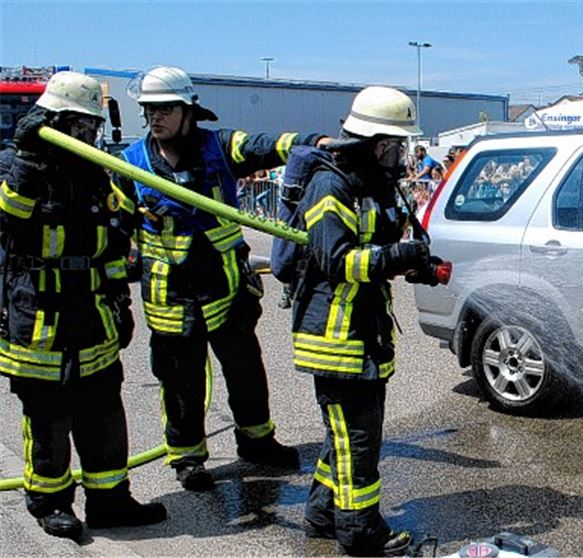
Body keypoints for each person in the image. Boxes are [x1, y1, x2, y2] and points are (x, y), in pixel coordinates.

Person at [119, 66, 319, 491]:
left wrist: (312, 142)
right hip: (170, 297)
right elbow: (114, 230)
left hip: (226, 289)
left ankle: (257, 441)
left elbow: (267, 146)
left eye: (165, 108)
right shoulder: (131, 164)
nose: (156, 117)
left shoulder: (220, 146)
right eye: (150, 109)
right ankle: (187, 458)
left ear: (188, 110)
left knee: (246, 371)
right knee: (180, 381)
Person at [0, 72, 166, 540]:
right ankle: (50, 502)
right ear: (54, 121)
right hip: (38, 311)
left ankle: (110, 500)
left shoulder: (93, 172)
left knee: (103, 410)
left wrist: (120, 300)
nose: (88, 134)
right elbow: (10, 218)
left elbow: (112, 242)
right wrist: (31, 159)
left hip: (92, 311)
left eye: (92, 126)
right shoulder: (15, 164)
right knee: (48, 415)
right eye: (80, 125)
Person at [291, 86, 437, 556]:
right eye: (396, 146)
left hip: (364, 333)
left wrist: (416, 264)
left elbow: (379, 247)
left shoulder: (373, 185)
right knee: (357, 441)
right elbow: (336, 260)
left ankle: (322, 513)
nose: (400, 155)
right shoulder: (330, 186)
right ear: (376, 144)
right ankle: (360, 531)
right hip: (336, 339)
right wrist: (397, 256)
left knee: (344, 437)